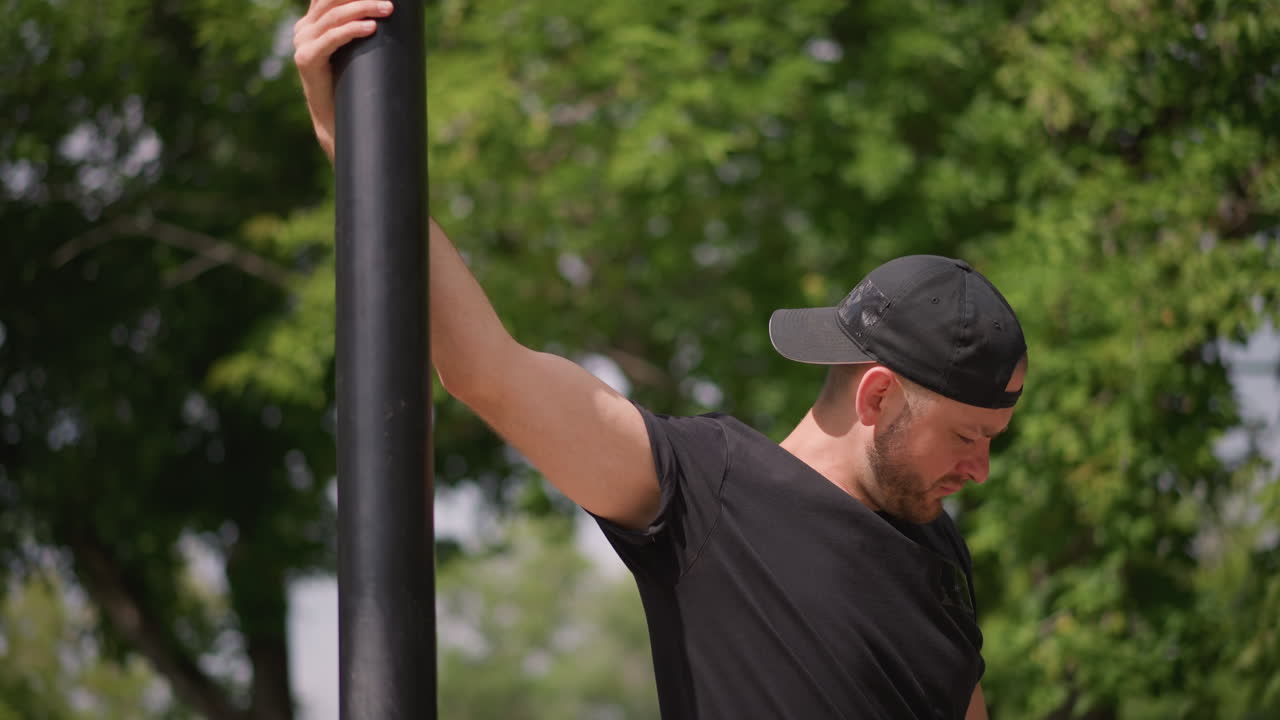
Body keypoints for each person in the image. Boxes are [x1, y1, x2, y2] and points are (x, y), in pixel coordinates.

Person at [293, 3, 1027, 718]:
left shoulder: (935, 549)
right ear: (875, 397)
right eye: (968, 436)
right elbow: (486, 372)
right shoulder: (709, 496)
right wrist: (350, 138)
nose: (981, 470)